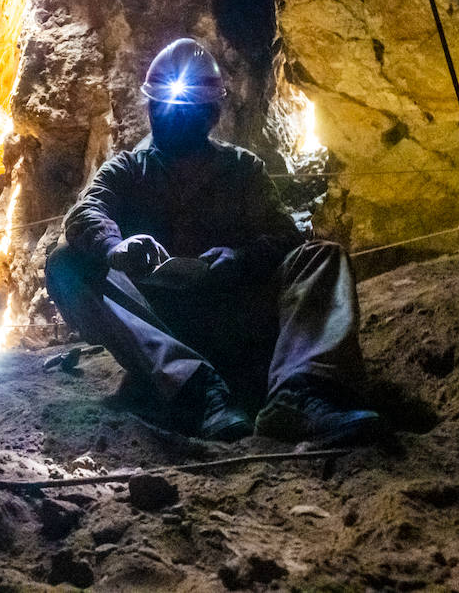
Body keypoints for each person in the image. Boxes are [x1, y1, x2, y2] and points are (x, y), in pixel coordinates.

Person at [44, 39, 383, 444]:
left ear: (211, 114)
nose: (170, 117)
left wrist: (240, 258)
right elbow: (86, 212)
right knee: (67, 263)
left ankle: (299, 396)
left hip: (235, 314)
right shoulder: (129, 169)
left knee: (321, 257)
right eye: (163, 107)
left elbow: (285, 236)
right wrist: (115, 247)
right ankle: (196, 390)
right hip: (161, 324)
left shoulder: (242, 170)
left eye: (185, 110)